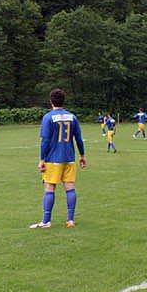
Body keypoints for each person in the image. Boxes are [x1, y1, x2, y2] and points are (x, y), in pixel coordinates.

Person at [31, 88, 86, 229]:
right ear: (64, 101)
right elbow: (78, 138)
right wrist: (82, 155)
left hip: (53, 159)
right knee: (70, 187)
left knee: (49, 187)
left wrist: (42, 159)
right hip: (69, 158)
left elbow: (45, 140)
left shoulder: (48, 117)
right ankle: (70, 220)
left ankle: (46, 221)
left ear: (51, 102)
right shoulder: (72, 117)